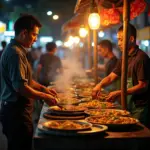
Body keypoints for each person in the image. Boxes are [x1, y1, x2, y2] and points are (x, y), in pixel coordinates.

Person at [0, 14, 58, 150]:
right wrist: (45, 97)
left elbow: (27, 81)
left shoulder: (19, 51)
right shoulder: (15, 53)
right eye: (34, 34)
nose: (36, 39)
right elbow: (21, 87)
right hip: (16, 112)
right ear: (24, 33)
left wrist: (44, 89)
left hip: (17, 111)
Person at [92, 23, 150, 128]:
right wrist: (99, 85)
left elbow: (143, 85)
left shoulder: (141, 58)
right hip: (127, 104)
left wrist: (120, 92)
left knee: (137, 138)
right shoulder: (124, 57)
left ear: (131, 39)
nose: (118, 43)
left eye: (121, 39)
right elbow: (111, 77)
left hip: (139, 107)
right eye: (118, 39)